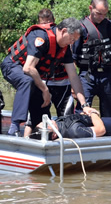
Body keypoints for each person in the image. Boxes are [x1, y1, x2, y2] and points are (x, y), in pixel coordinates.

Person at [1, 17, 90, 136]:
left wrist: (84, 105)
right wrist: (45, 89)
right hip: (12, 66)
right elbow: (28, 68)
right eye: (72, 39)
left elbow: (73, 76)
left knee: (42, 104)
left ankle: (40, 136)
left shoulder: (65, 48)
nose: (72, 43)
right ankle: (14, 127)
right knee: (27, 81)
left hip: (31, 75)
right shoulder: (41, 37)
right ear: (63, 31)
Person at [72, 0, 111, 117]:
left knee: (109, 114)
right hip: (86, 76)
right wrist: (72, 85)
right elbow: (73, 59)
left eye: (104, 14)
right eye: (98, 14)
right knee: (82, 112)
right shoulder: (81, 28)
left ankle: (108, 133)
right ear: (90, 8)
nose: (101, 17)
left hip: (108, 76)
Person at [23, 9, 75, 137]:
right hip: (45, 82)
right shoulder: (40, 39)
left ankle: (65, 145)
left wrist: (75, 88)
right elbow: (30, 66)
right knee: (34, 119)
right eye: (42, 24)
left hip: (62, 83)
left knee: (67, 118)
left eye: (48, 23)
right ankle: (25, 140)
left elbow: (72, 67)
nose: (45, 26)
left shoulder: (65, 40)